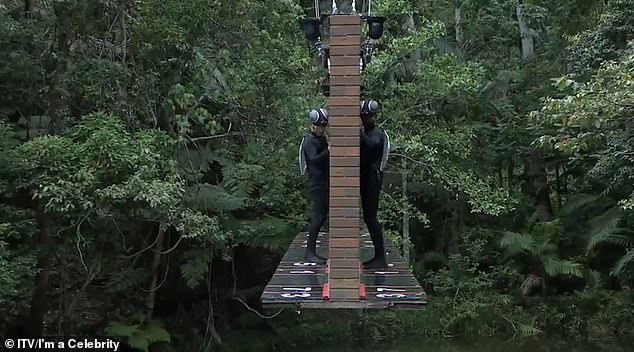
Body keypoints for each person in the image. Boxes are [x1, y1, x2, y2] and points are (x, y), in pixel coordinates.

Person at [359, 99, 389, 269]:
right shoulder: (369, 131)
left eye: (365, 116)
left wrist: (361, 135)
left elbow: (373, 144)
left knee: (371, 218)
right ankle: (379, 256)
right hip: (367, 179)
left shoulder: (375, 133)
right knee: (369, 218)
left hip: (372, 181)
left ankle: (380, 257)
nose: (363, 119)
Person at [299, 108, 330, 264]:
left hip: (325, 182)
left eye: (324, 126)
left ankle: (311, 252)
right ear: (312, 125)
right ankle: (309, 252)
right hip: (317, 183)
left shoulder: (321, 139)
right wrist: (329, 152)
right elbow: (314, 161)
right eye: (319, 126)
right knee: (317, 217)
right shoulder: (310, 141)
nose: (322, 129)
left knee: (322, 216)